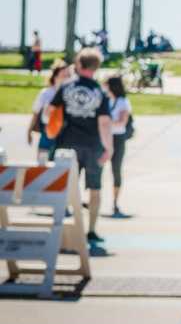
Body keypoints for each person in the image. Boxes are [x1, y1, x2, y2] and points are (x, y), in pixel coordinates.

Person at [49, 47, 113, 243]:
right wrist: (109, 148)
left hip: (67, 145)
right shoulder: (100, 92)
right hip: (93, 145)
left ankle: (66, 228)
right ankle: (91, 230)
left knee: (67, 187)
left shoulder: (65, 87)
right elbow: (104, 123)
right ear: (96, 67)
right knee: (95, 189)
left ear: (78, 64)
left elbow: (49, 112)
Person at [27, 60, 72, 162]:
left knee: (62, 162)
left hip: (64, 132)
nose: (66, 77)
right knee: (42, 160)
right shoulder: (46, 93)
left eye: (68, 75)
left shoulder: (70, 93)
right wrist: (29, 131)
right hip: (47, 129)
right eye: (63, 74)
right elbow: (36, 112)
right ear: (55, 75)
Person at [105, 75, 132, 218]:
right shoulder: (105, 100)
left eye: (106, 85)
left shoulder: (123, 102)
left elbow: (122, 122)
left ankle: (115, 202)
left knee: (116, 169)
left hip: (117, 139)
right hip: (104, 137)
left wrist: (105, 123)